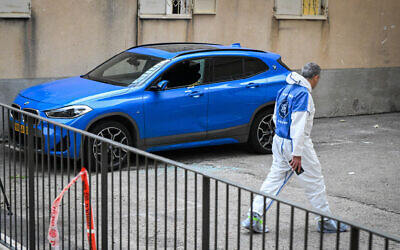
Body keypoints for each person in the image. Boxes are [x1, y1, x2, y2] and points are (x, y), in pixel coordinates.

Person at [241, 62, 348, 233]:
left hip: (280, 141)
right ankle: (325, 220)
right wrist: (297, 154)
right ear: (316, 78)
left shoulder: (285, 89)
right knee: (314, 181)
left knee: (274, 179)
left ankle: (254, 216)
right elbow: (298, 126)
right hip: (297, 146)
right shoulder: (303, 94)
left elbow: (276, 117)